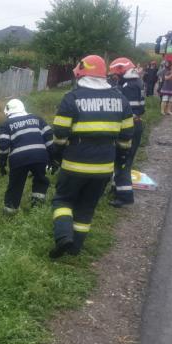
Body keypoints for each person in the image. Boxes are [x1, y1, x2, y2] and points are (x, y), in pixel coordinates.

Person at [49, 55, 134, 258]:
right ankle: (75, 248)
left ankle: (63, 237)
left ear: (81, 73)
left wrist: (56, 156)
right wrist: (120, 159)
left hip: (75, 163)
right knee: (86, 207)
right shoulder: (120, 99)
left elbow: (60, 133)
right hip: (104, 165)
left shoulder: (72, 98)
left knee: (63, 201)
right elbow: (127, 136)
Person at [0, 98, 53, 213]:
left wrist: (2, 164)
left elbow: (3, 147)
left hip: (19, 160)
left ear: (8, 112)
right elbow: (49, 137)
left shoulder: (6, 124)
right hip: (40, 156)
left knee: (15, 185)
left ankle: (10, 212)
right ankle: (37, 207)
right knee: (40, 180)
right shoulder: (37, 119)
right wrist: (52, 158)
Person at [108, 57, 145, 208]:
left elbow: (124, 110)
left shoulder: (129, 86)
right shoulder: (137, 81)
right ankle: (117, 188)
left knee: (123, 161)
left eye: (116, 74)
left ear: (122, 71)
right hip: (135, 124)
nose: (115, 77)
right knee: (122, 160)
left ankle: (124, 196)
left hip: (129, 126)